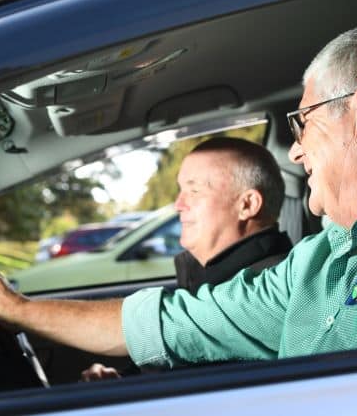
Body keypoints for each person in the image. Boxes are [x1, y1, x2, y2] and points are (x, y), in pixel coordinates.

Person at [0, 23, 357, 369]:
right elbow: (179, 322)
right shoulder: (326, 255)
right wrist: (18, 308)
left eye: (303, 122)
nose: (295, 152)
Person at [81, 137, 293, 380]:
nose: (178, 204)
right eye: (181, 190)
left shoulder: (265, 293)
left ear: (247, 204)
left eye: (194, 191)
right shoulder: (212, 276)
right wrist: (123, 381)